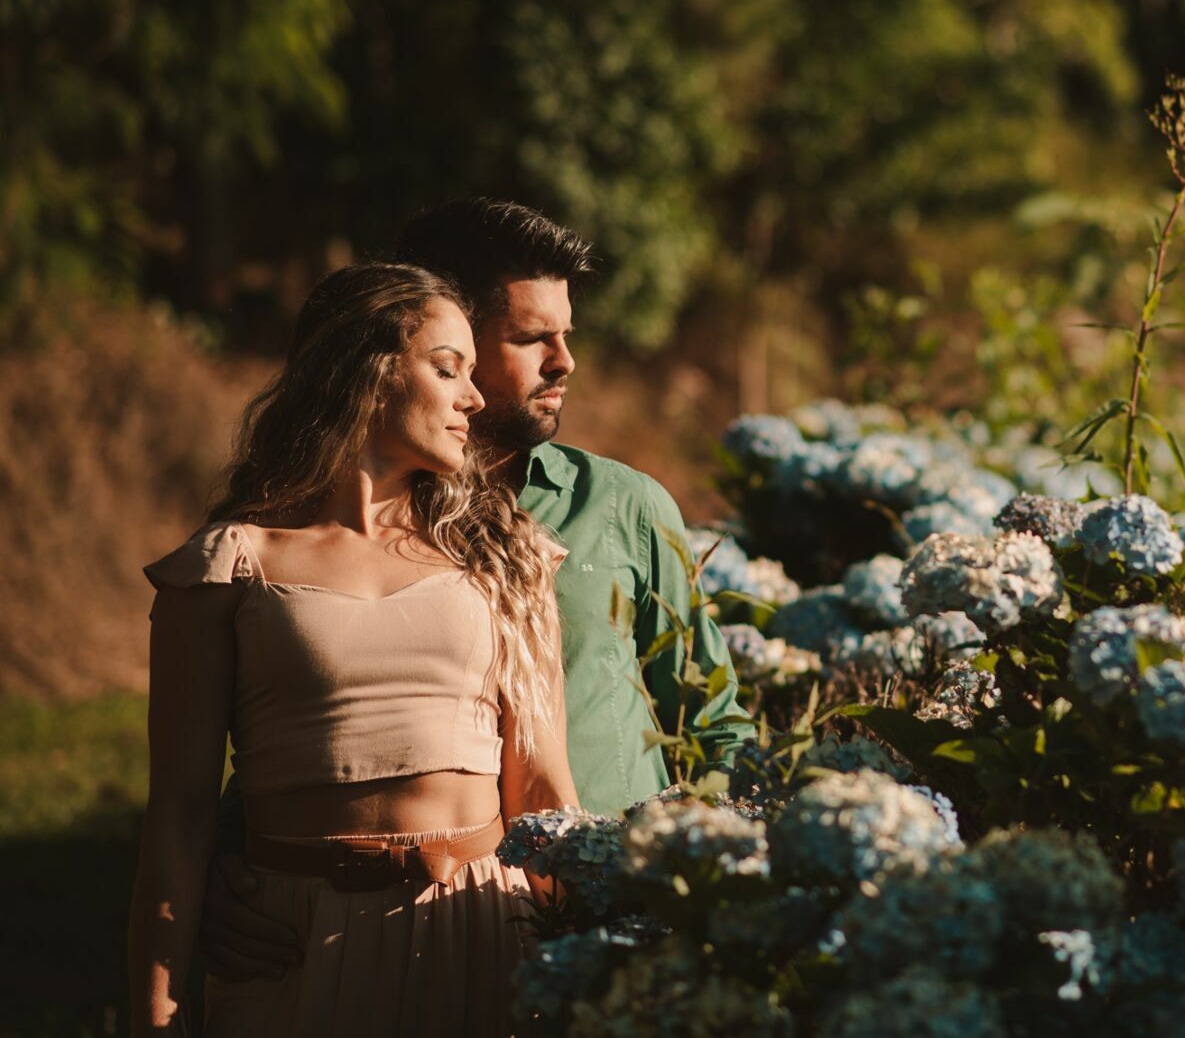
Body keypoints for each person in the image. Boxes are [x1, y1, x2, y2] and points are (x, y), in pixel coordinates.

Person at [196, 199, 751, 983]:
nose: (565, 362)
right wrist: (226, 864)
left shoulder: (625, 509)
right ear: (432, 334)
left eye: (568, 335)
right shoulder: (331, 537)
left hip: (612, 938)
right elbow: (289, 720)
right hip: (382, 940)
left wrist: (712, 898)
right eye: (532, 338)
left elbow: (714, 725)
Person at [128, 263, 579, 1037]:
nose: (474, 397)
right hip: (292, 944)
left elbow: (540, 789)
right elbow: (180, 814)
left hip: (483, 925)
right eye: (448, 370)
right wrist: (154, 1014)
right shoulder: (229, 566)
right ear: (367, 372)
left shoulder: (506, 557)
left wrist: (583, 965)